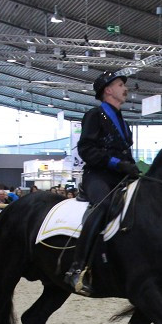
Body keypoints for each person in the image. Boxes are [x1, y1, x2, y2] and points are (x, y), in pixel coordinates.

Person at [63, 70, 140, 296]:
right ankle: (78, 267)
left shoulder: (121, 119)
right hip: (98, 176)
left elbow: (123, 150)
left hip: (121, 175)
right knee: (103, 206)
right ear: (108, 90)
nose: (124, 89)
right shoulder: (95, 115)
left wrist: (132, 167)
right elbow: (86, 149)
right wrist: (117, 163)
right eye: (119, 85)